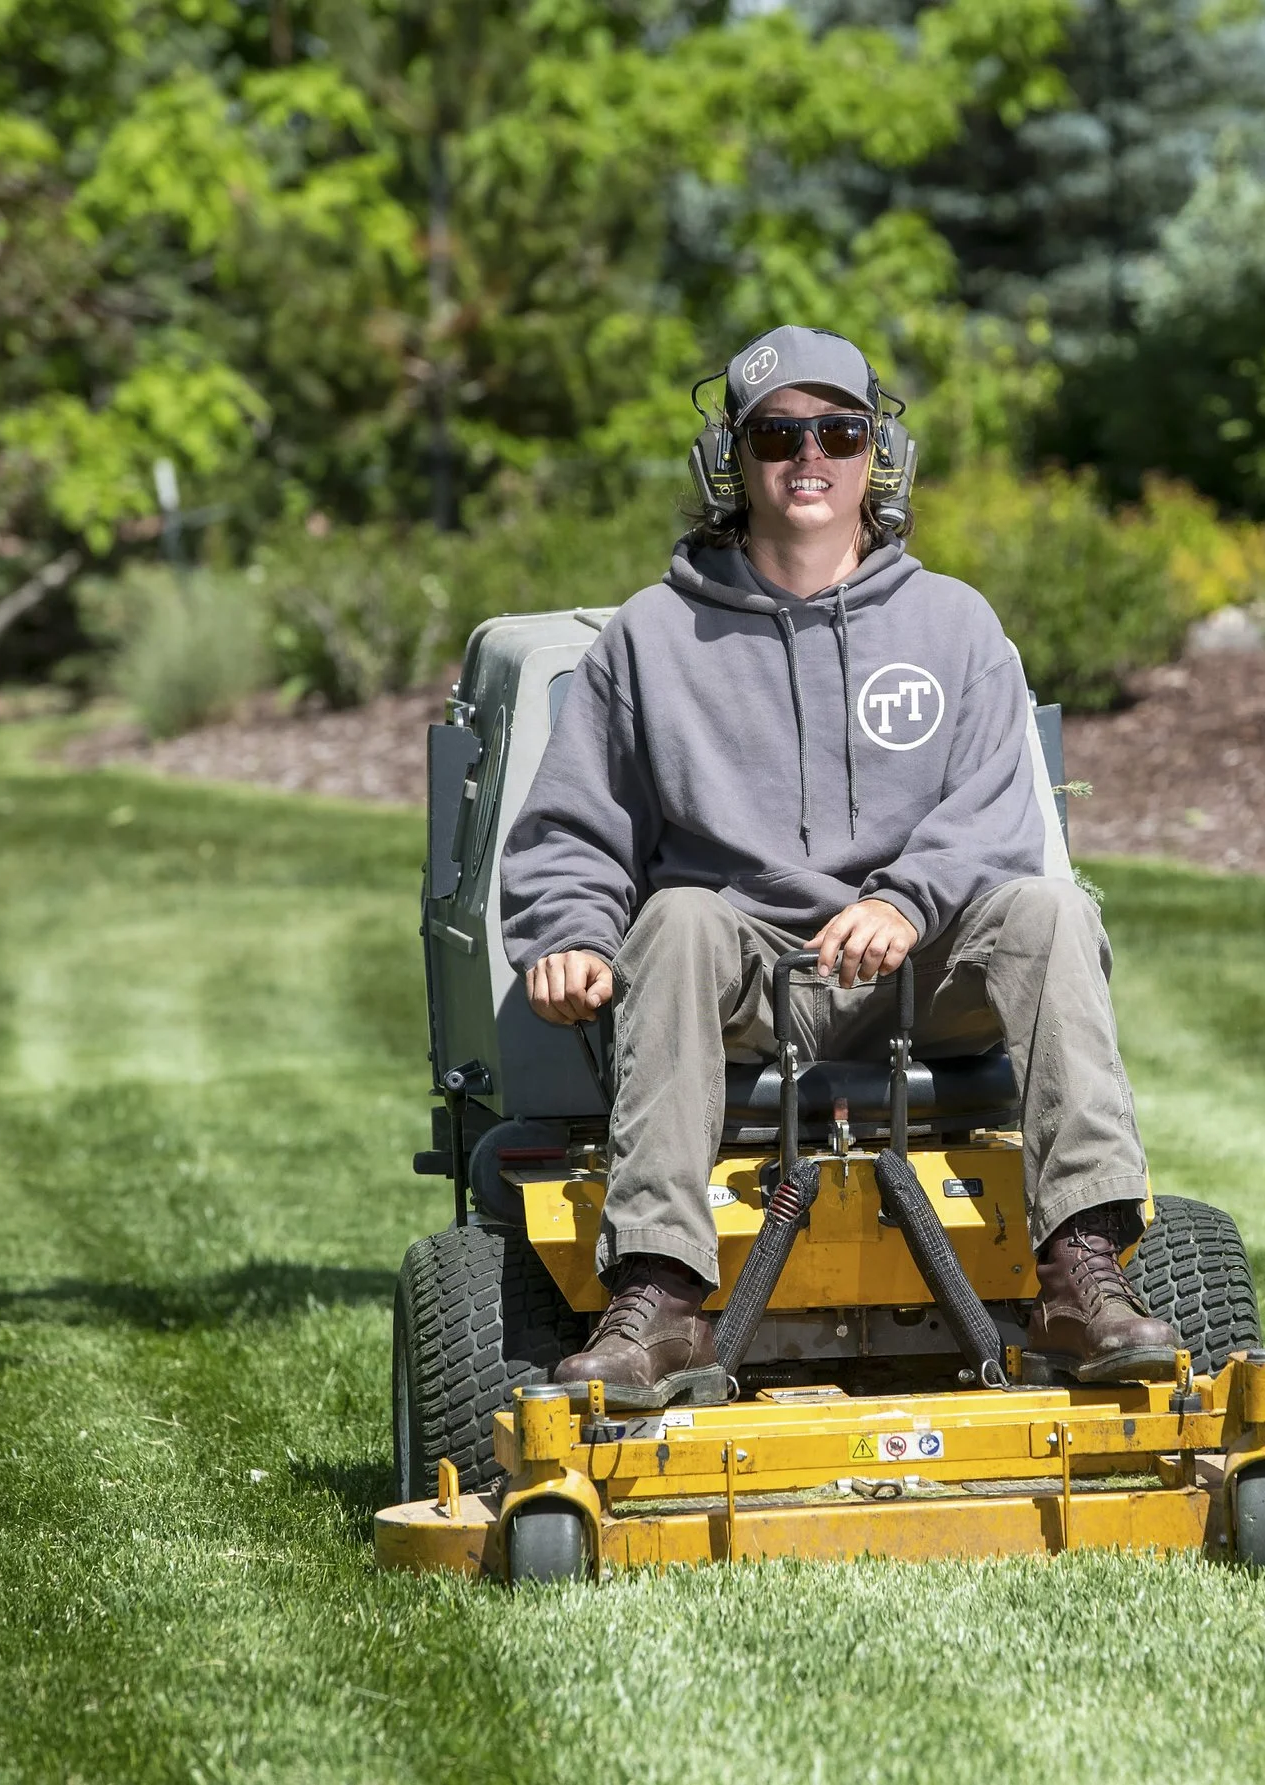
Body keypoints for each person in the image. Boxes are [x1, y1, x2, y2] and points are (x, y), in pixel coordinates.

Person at [499, 324, 1176, 1410]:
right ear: (732, 458)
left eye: (836, 431)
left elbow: (995, 809)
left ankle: (1082, 1272)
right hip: (750, 976)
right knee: (671, 916)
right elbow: (577, 828)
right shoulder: (650, 639)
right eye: (777, 434)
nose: (806, 456)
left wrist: (906, 902)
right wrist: (569, 938)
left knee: (1049, 908)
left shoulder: (954, 625)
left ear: (876, 456)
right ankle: (660, 1296)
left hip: (926, 976)